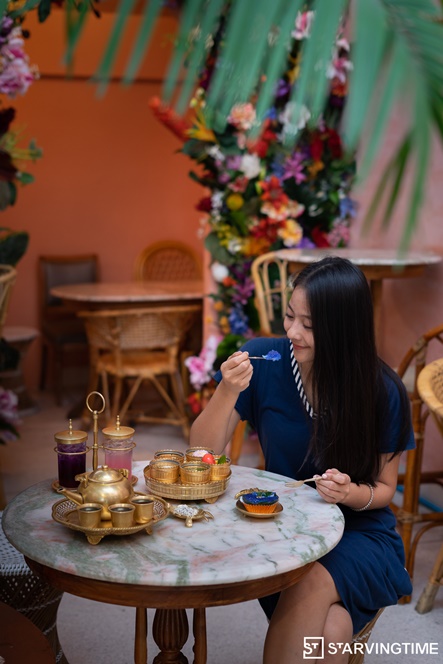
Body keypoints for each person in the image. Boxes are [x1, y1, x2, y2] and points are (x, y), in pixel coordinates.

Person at [190, 256, 414, 663]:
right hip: (284, 532)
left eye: (309, 325)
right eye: (290, 316)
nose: (292, 331)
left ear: (344, 328)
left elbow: (383, 490)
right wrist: (226, 391)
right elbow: (201, 453)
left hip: (360, 533)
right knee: (332, 632)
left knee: (310, 581)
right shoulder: (262, 361)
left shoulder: (382, 390)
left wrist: (348, 493)